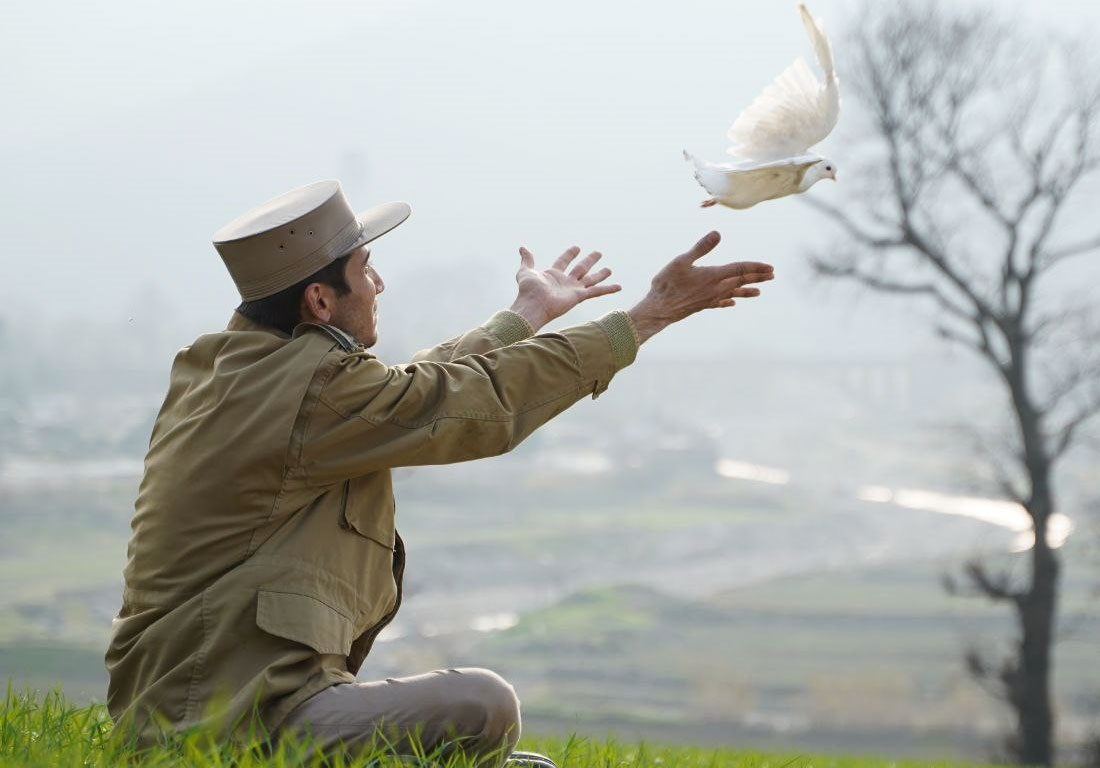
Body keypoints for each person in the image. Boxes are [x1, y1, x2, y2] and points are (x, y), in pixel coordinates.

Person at [105, 179, 774, 763]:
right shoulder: (311, 390)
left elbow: (410, 391)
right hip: (224, 725)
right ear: (319, 301)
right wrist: (644, 317)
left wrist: (525, 317)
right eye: (365, 269)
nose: (378, 284)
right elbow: (470, 402)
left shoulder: (240, 368)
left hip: (192, 704)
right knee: (482, 707)